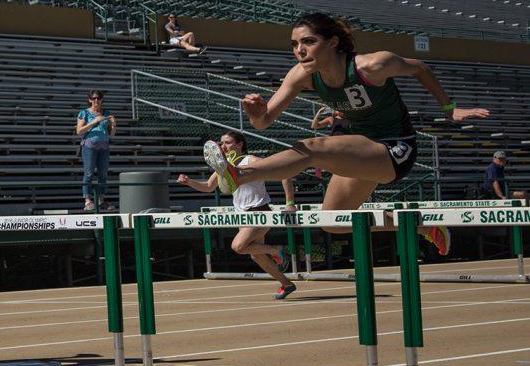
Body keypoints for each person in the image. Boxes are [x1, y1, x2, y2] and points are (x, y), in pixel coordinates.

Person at [208, 13, 490, 256]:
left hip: (395, 148)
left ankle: (240, 175)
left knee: (313, 147)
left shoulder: (371, 65)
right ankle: (422, 226)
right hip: (360, 148)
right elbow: (263, 122)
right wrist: (255, 111)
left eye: (308, 42)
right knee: (333, 220)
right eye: (294, 44)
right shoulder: (301, 74)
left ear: (332, 42)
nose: (299, 50)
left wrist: (450, 108)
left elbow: (420, 67)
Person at [178, 130, 298, 299]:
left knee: (238, 246)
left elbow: (284, 174)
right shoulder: (224, 165)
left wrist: (290, 203)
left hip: (258, 211)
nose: (223, 146)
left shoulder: (253, 161)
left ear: (240, 144)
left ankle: (275, 249)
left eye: (227, 142)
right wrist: (189, 182)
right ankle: (287, 284)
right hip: (242, 215)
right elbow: (208, 187)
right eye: (221, 143)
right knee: (256, 255)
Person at [76, 89, 116, 211]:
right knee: (88, 173)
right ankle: (87, 200)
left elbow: (112, 135)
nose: (96, 100)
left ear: (102, 100)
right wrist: (93, 122)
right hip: (89, 146)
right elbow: (79, 131)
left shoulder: (107, 113)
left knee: (103, 174)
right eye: (94, 98)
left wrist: (114, 125)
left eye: (98, 98)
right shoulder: (84, 113)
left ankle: (101, 200)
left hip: (104, 146)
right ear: (90, 100)